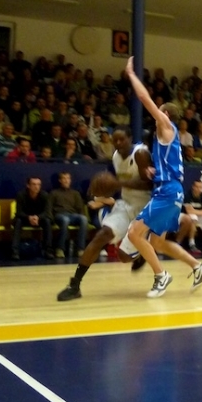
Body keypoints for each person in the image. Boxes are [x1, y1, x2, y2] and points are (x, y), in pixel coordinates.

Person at [125, 57, 202, 297]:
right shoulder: (165, 138)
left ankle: (161, 276)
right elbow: (167, 163)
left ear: (164, 113)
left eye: (159, 110)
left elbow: (144, 98)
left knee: (134, 233)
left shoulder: (165, 125)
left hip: (167, 192)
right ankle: (198, 266)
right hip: (170, 189)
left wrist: (131, 75)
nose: (156, 113)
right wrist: (154, 171)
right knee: (157, 242)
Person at [56, 127, 155, 300]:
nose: (118, 143)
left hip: (144, 208)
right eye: (115, 140)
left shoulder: (140, 154)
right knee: (101, 236)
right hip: (125, 204)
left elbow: (148, 184)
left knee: (123, 257)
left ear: (130, 138)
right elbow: (116, 184)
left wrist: (117, 184)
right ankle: (74, 285)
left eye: (122, 139)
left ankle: (143, 251)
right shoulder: (116, 156)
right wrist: (102, 189)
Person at [48, 171, 89, 259]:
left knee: (83, 219)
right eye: (64, 178)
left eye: (68, 178)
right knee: (65, 220)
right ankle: (60, 249)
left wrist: (82, 216)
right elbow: (49, 207)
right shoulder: (54, 193)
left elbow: (80, 208)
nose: (66, 181)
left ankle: (80, 249)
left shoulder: (75, 193)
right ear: (60, 180)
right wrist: (51, 219)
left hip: (72, 215)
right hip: (59, 215)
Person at [11, 177, 53, 261]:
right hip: (25, 218)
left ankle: (48, 251)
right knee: (18, 221)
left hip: (39, 219)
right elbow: (19, 212)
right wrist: (29, 217)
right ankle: (15, 251)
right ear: (28, 185)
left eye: (38, 184)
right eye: (34, 184)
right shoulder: (21, 195)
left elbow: (47, 212)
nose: (36, 187)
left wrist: (38, 217)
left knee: (47, 221)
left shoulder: (45, 195)